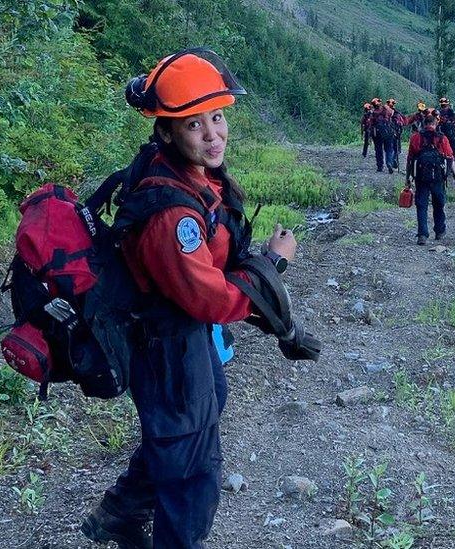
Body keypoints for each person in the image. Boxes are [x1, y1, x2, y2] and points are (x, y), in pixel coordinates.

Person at [80, 48, 320, 549]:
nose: (213, 134)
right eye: (194, 125)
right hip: (166, 347)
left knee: (197, 419)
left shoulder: (190, 177)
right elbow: (211, 299)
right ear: (166, 132)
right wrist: (273, 265)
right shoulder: (172, 217)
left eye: (217, 117)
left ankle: (120, 515)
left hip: (182, 340)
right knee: (193, 474)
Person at [405, 113, 455, 245]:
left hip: (421, 176)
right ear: (435, 124)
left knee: (421, 205)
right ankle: (440, 231)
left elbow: (410, 159)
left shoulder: (415, 137)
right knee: (439, 204)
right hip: (438, 177)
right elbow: (450, 157)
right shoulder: (442, 138)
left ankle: (422, 235)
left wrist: (408, 177)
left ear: (424, 124)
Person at [369, 100, 398, 173]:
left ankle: (380, 166)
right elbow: (392, 113)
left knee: (378, 150)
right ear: (379, 103)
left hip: (377, 133)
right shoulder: (385, 109)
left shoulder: (373, 113)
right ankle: (389, 162)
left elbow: (371, 124)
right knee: (389, 149)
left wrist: (370, 135)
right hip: (387, 131)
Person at [386, 98, 406, 170]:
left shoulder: (384, 112)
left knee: (389, 149)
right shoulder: (397, 113)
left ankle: (389, 162)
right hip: (396, 133)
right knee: (396, 148)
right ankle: (393, 159)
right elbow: (402, 123)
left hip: (387, 133)